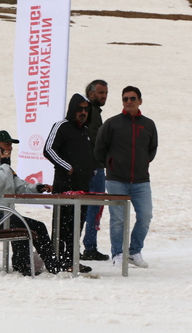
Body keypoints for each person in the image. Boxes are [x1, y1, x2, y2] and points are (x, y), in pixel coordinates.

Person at [0, 131, 65, 276]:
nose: (10, 148)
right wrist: (5, 164)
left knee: (31, 225)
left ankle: (40, 265)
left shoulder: (6, 168)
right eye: (6, 144)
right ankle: (31, 266)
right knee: (25, 225)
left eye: (11, 145)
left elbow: (20, 186)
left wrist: (38, 187)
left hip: (5, 215)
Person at [94, 85, 158, 268]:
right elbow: (99, 148)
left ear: (140, 101)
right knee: (118, 219)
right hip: (116, 180)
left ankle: (134, 251)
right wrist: (111, 165)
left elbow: (152, 149)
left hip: (141, 181)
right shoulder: (112, 123)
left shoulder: (148, 124)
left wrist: (143, 162)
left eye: (132, 98)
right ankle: (118, 253)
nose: (128, 101)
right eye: (125, 99)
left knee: (145, 215)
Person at [43, 93, 98, 273]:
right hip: (64, 187)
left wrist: (92, 171)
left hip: (82, 188)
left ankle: (72, 259)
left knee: (77, 224)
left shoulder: (86, 131)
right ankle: (57, 261)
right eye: (79, 109)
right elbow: (48, 149)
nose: (83, 112)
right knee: (62, 225)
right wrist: (68, 167)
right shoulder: (62, 126)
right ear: (73, 109)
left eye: (86, 109)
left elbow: (89, 155)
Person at [81, 79, 110, 262]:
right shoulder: (92, 112)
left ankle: (86, 246)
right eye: (100, 93)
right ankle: (89, 247)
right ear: (91, 93)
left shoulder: (91, 111)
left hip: (90, 167)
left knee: (88, 206)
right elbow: (93, 139)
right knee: (94, 207)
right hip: (94, 167)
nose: (104, 96)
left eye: (106, 93)